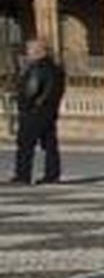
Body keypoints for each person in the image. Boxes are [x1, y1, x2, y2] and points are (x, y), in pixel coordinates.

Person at [10, 39, 66, 185]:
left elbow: (31, 90)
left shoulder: (37, 68)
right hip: (49, 112)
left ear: (38, 52)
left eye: (29, 51)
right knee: (50, 146)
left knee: (25, 145)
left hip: (34, 112)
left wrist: (23, 104)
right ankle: (52, 175)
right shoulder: (56, 69)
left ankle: (23, 175)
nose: (27, 54)